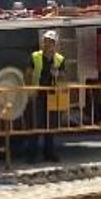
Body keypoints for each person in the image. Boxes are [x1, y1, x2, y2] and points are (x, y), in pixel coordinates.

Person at [26, 30, 66, 162]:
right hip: (38, 94)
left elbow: (63, 76)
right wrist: (29, 89)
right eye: (45, 42)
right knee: (36, 125)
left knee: (50, 125)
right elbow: (28, 73)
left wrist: (57, 74)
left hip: (52, 95)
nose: (47, 45)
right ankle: (32, 155)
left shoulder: (59, 59)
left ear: (55, 44)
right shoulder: (35, 56)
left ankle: (49, 153)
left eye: (50, 42)